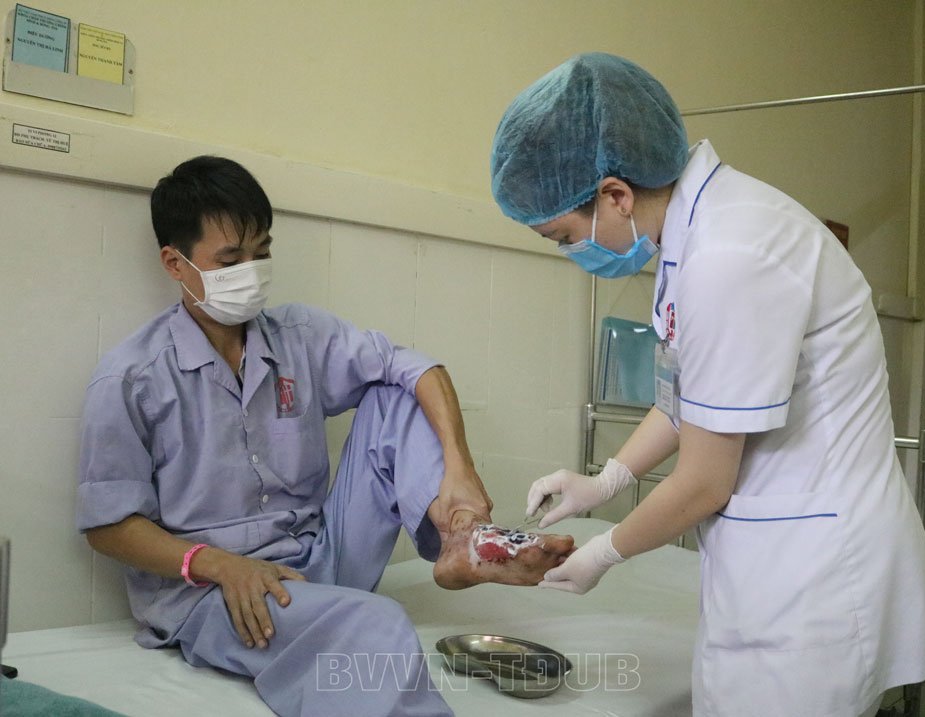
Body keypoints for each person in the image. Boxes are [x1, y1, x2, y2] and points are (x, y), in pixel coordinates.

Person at [490, 53, 925, 717]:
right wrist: (606, 480)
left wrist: (603, 553)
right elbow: (685, 399)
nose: (568, 253)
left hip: (813, 574)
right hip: (773, 556)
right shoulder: (694, 236)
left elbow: (704, 480)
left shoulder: (731, 254)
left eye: (562, 236)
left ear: (615, 195)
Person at [76, 156, 574, 717]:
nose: (253, 269)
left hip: (318, 555)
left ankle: (465, 536)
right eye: (231, 259)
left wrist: (459, 468)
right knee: (377, 621)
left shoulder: (298, 336)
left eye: (262, 252)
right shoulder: (133, 378)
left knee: (394, 390)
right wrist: (218, 565)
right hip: (214, 593)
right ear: (176, 263)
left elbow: (422, 369)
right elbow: (108, 525)